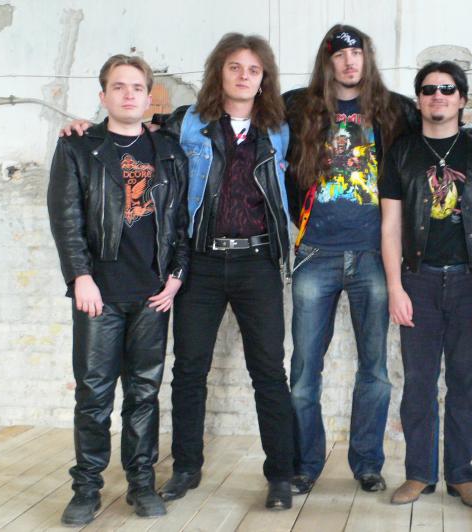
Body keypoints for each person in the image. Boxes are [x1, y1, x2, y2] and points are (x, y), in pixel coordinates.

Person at [60, 33, 295, 511]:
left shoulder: (279, 129)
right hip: (201, 263)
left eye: (253, 69)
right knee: (188, 370)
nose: (243, 76)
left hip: (257, 262)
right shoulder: (187, 122)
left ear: (264, 78)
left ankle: (280, 476)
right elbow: (129, 128)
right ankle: (186, 467)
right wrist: (82, 126)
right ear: (219, 73)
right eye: (234, 67)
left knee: (270, 371)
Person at [48, 54, 189, 526]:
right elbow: (66, 218)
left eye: (137, 88)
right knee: (93, 396)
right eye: (119, 86)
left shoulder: (169, 151)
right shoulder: (78, 148)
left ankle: (141, 484)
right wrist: (79, 276)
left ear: (149, 98)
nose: (129, 94)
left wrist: (177, 274)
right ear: (103, 95)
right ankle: (86, 488)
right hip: (100, 294)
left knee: (144, 395)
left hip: (153, 294)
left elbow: (180, 221)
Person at [283, 24, 419, 495]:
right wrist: (164, 122)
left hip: (373, 255)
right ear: (328, 62)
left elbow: (440, 135)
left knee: (375, 370)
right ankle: (305, 464)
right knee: (304, 372)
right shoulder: (298, 107)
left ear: (367, 58)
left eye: (357, 53)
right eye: (340, 55)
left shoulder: (396, 110)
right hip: (315, 252)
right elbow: (237, 112)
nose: (349, 62)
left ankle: (367, 462)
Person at [380, 61, 472, 508]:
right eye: (429, 89)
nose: (438, 96)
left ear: (462, 99)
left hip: (469, 281)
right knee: (418, 383)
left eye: (448, 89)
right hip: (419, 280)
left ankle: (462, 475)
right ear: (418, 99)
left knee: (467, 382)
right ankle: (419, 473)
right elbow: (390, 226)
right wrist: (396, 287)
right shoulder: (402, 153)